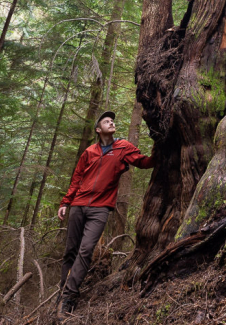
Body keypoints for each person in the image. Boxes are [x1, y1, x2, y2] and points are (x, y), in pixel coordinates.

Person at [57, 110, 154, 317]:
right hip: (78, 205)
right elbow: (76, 178)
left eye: (112, 120)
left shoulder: (123, 147)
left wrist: (161, 153)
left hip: (101, 208)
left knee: (85, 251)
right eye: (106, 121)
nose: (111, 122)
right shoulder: (89, 152)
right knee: (70, 251)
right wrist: (66, 202)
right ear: (98, 129)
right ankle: (61, 292)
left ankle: (69, 297)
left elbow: (143, 162)